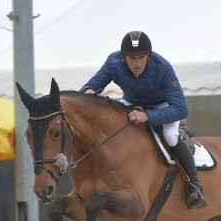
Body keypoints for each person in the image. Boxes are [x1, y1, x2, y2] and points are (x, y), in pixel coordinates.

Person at [80, 31, 206, 209]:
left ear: (149, 55)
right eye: (132, 58)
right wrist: (88, 92)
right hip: (132, 103)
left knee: (170, 135)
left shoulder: (162, 67)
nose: (137, 63)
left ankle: (194, 184)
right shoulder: (113, 62)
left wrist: (148, 116)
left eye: (141, 57)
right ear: (123, 57)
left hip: (163, 106)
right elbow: (92, 84)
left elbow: (180, 108)